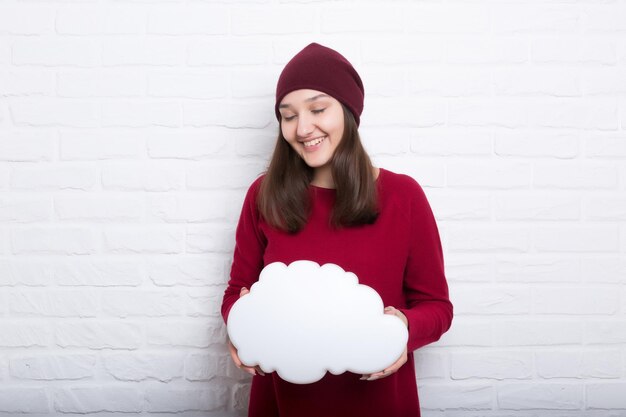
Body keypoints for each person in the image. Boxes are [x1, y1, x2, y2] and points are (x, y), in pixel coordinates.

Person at [221, 42, 453, 417]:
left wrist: (403, 327)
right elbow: (236, 292)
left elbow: (437, 308)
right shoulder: (262, 196)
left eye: (317, 109)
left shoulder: (402, 196)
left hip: (376, 402)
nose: (302, 128)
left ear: (348, 111)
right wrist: (239, 327)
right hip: (282, 402)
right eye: (288, 115)